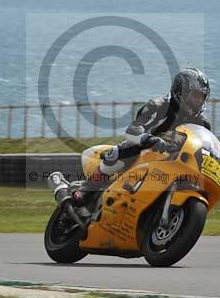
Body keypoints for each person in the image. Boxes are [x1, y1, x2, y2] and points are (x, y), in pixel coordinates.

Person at [49, 68, 211, 206]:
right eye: (194, 96)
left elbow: (207, 147)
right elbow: (133, 129)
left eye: (201, 97)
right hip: (144, 150)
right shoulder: (158, 106)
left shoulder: (202, 124)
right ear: (180, 92)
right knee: (121, 153)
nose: (197, 101)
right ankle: (85, 190)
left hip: (174, 160)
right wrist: (148, 139)